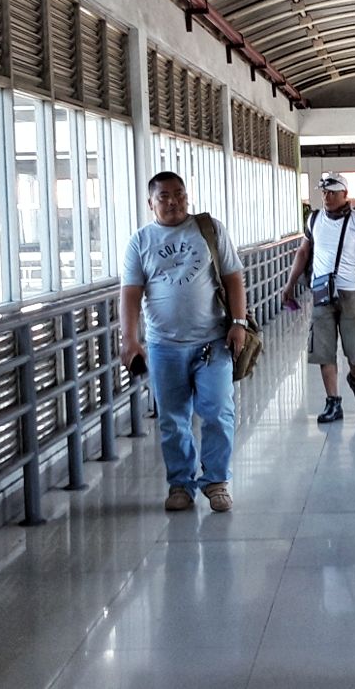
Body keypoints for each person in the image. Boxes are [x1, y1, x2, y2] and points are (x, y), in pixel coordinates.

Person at [120, 171, 248, 513]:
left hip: (213, 341)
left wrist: (239, 322)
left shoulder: (210, 230)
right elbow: (130, 293)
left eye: (179, 194)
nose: (173, 201)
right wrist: (130, 339)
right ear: (151, 203)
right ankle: (180, 484)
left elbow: (233, 278)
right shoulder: (140, 241)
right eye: (164, 196)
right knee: (173, 419)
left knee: (219, 412)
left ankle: (217, 481)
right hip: (164, 347)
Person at [282, 172, 355, 423]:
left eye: (332, 192)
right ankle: (333, 402)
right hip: (321, 291)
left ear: (345, 195)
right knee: (324, 350)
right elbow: (303, 252)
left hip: (350, 291)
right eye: (324, 192)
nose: (327, 197)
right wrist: (289, 284)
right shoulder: (314, 220)